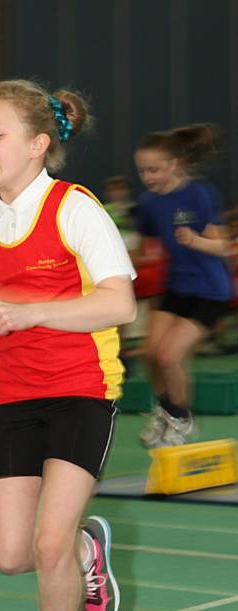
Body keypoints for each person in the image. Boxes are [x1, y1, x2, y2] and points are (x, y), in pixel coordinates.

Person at [0, 79, 136, 611]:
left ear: (38, 144)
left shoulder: (75, 208)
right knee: (9, 554)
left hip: (81, 391)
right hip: (14, 398)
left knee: (48, 547)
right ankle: (85, 547)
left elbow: (120, 303)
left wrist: (33, 312)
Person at [134, 124, 231, 448]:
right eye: (143, 171)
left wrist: (195, 241)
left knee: (169, 355)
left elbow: (225, 248)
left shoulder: (199, 195)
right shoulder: (148, 203)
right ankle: (165, 410)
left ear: (174, 164)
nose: (148, 177)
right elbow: (144, 245)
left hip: (210, 290)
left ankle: (182, 419)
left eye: (155, 169)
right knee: (149, 353)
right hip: (176, 286)